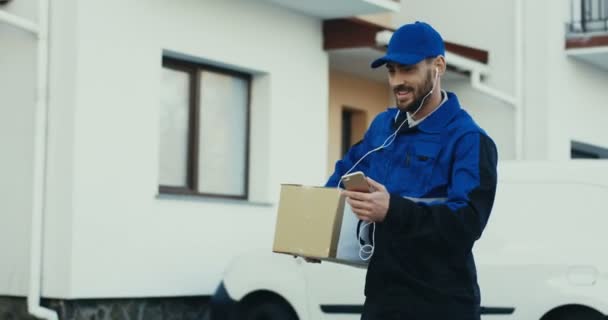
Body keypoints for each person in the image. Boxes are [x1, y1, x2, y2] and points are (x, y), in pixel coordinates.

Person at [325, 21, 498, 320]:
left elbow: (467, 223)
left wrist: (393, 209)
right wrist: (318, 232)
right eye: (392, 70)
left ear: (438, 66)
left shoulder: (469, 139)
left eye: (408, 69)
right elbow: (343, 175)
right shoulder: (383, 127)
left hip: (441, 307)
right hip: (382, 302)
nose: (396, 82)